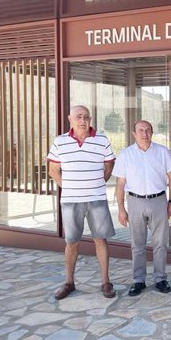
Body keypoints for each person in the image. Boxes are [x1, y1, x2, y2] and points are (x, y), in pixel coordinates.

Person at [47, 105, 117, 300]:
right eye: (79, 116)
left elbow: (109, 165)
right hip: (71, 201)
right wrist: (68, 186)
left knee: (100, 240)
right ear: (70, 118)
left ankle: (105, 282)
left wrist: (97, 183)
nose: (83, 120)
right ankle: (69, 282)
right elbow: (53, 170)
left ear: (91, 119)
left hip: (96, 199)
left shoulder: (101, 140)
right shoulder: (60, 142)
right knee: (71, 242)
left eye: (86, 117)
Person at [113, 120, 171, 297]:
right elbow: (120, 184)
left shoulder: (162, 152)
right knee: (137, 245)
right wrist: (120, 208)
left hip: (159, 200)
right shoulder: (126, 155)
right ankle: (139, 280)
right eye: (140, 130)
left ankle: (160, 279)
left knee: (160, 244)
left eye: (148, 130)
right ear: (134, 133)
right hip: (135, 202)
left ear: (152, 132)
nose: (144, 133)